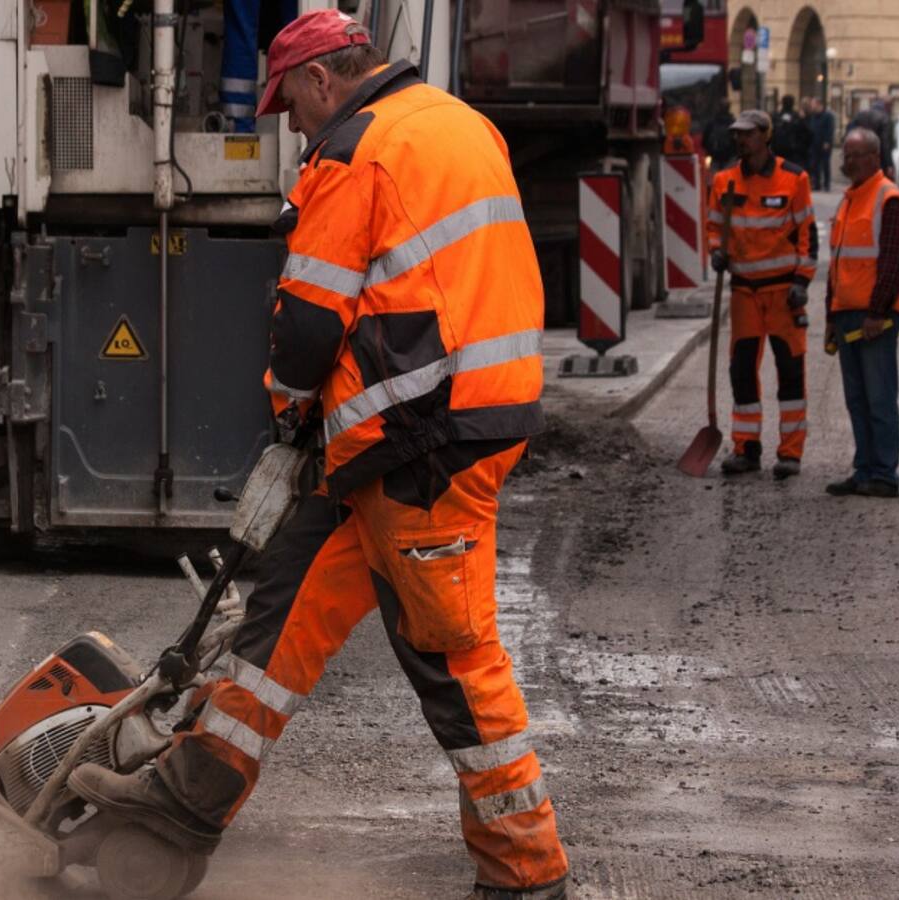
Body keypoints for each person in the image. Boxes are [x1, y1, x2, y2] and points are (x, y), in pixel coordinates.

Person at [68, 10, 570, 900]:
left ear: (324, 80)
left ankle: (526, 869)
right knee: (280, 615)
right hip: (420, 428)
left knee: (453, 659)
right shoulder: (460, 124)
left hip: (423, 442)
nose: (288, 119)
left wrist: (288, 421)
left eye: (289, 100)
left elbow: (306, 327)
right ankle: (189, 797)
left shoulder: (350, 151)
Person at [706, 109, 818, 480]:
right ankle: (746, 449)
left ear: (765, 137)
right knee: (742, 371)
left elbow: (808, 235)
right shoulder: (724, 181)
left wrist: (802, 280)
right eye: (738, 134)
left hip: (783, 292)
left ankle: (789, 454)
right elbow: (713, 226)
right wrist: (715, 251)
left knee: (789, 372)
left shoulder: (794, 178)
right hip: (744, 293)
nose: (741, 140)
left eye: (749, 134)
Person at [824, 128, 899, 498]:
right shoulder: (850, 200)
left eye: (855, 155)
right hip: (848, 313)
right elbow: (839, 263)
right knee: (857, 398)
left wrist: (877, 313)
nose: (848, 162)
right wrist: (831, 315)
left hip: (875, 316)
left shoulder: (889, 199)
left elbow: (893, 262)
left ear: (875, 158)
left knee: (878, 396)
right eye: (845, 154)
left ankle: (884, 475)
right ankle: (864, 470)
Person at [849, 98, 894, 178]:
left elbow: (850, 133)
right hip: (878, 159)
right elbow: (885, 143)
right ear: (885, 106)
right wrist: (889, 164)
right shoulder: (885, 118)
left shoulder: (860, 115)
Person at [771, 94, 811, 171]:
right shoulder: (797, 117)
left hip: (778, 151)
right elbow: (807, 135)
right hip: (794, 153)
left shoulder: (776, 116)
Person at [807, 98, 836, 191]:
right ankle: (817, 183)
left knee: (825, 164)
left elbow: (829, 129)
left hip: (824, 143)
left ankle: (827, 184)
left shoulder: (828, 116)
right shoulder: (813, 116)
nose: (812, 106)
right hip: (814, 143)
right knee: (815, 164)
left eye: (813, 104)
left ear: (819, 105)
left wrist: (827, 141)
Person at [702, 98, 737, 172]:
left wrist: (710, 152)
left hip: (715, 159)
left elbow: (704, 141)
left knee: (716, 180)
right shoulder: (733, 123)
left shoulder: (711, 123)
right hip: (729, 159)